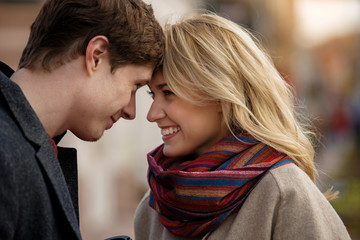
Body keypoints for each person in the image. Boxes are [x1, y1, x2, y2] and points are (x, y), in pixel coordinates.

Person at [134, 13, 351, 239]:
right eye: (153, 95)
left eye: (168, 93)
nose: (152, 114)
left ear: (219, 95)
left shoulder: (283, 193)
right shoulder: (155, 204)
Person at [0, 0, 163, 239]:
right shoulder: (6, 152)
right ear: (96, 56)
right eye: (134, 85)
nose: (132, 111)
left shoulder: (30, 140)